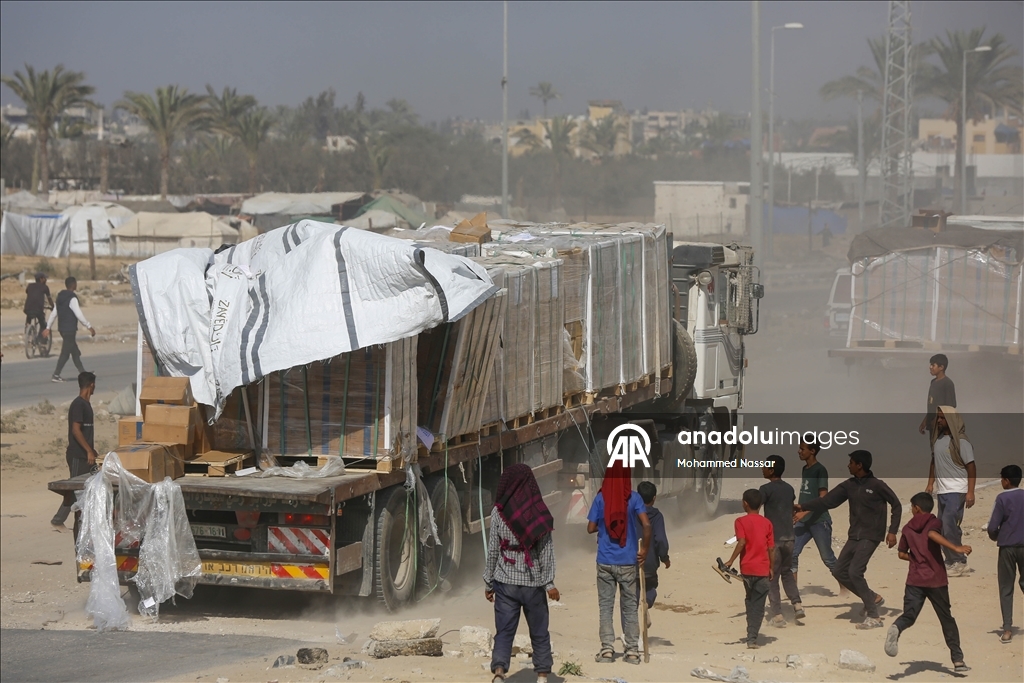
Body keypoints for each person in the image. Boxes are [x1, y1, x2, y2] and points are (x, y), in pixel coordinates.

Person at [796, 450, 902, 629]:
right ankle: (872, 598)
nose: (848, 465)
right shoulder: (849, 485)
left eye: (851, 462)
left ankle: (874, 617)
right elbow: (827, 501)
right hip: (854, 535)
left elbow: (896, 505)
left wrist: (892, 531)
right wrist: (802, 506)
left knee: (855, 572)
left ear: (859, 465)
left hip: (871, 535)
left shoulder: (877, 485)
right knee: (839, 571)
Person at [484, 464, 558, 683]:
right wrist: (549, 583)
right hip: (533, 583)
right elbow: (546, 551)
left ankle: (499, 671)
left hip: (505, 582)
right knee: (539, 631)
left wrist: (488, 582)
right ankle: (543, 675)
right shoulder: (539, 512)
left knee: (504, 631)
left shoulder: (498, 512)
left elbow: (493, 551)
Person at [884, 492, 971, 674]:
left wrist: (915, 559)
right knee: (946, 618)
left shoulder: (907, 528)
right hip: (936, 579)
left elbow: (901, 554)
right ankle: (958, 659)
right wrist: (956, 548)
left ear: (916, 508)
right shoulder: (934, 522)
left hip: (914, 580)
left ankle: (896, 627)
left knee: (909, 615)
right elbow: (932, 534)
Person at [587, 461, 651, 665]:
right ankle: (632, 651)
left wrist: (605, 527)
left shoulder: (600, 497)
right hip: (628, 561)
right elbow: (647, 525)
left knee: (605, 607)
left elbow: (590, 528)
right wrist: (645, 550)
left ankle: (607, 649)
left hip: (605, 560)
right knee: (630, 607)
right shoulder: (633, 497)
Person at [926, 406, 976, 577]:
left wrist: (970, 492)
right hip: (943, 491)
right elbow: (934, 463)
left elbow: (971, 466)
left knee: (949, 525)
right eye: (938, 418)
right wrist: (930, 484)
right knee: (943, 527)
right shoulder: (938, 440)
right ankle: (951, 561)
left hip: (958, 490)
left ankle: (959, 561)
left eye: (942, 418)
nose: (939, 421)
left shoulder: (961, 441)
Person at [723, 489, 775, 649]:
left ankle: (750, 634)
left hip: (746, 570)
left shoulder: (740, 521)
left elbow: (741, 542)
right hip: (762, 570)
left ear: (745, 503)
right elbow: (771, 548)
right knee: (758, 605)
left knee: (750, 600)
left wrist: (730, 561)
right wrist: (772, 567)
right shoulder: (767, 523)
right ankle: (752, 638)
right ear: (760, 505)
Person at [792, 439, 844, 595]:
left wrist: (805, 511)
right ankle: (793, 592)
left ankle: (846, 588)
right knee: (792, 553)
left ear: (812, 451)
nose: (799, 451)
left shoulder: (820, 470)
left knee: (827, 558)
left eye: (802, 448)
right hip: (804, 521)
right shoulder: (805, 469)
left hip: (819, 521)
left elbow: (823, 497)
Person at [51, 371, 98, 529]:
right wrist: (88, 451)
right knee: (74, 489)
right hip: (78, 455)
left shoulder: (86, 404)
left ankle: (86, 521)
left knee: (90, 486)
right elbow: (76, 430)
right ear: (91, 385)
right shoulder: (79, 404)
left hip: (87, 455)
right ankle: (58, 520)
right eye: (94, 385)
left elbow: (85, 432)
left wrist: (92, 450)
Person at [760, 456, 802, 627]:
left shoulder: (765, 489)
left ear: (771, 470)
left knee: (772, 576)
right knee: (787, 572)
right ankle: (797, 605)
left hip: (774, 539)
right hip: (790, 537)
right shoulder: (789, 488)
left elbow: (756, 506)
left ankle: (777, 614)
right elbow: (790, 507)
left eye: (765, 467)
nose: (762, 469)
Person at [987, 464, 1024, 645]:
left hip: (1008, 547)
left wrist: (996, 537)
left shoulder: (1001, 498)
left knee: (1006, 588)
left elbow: (993, 526)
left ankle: (1008, 628)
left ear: (1006, 481)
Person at [44, 276, 95, 382]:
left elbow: (54, 313)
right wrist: (89, 326)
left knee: (75, 352)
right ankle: (56, 374)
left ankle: (83, 373)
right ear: (73, 285)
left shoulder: (60, 297)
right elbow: (78, 314)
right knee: (65, 354)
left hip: (62, 329)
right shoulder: (72, 298)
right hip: (70, 329)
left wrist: (48, 327)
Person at [636, 481, 670, 617]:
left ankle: (634, 620)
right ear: (654, 498)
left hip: (630, 561)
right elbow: (660, 540)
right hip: (649, 563)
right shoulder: (657, 516)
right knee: (650, 587)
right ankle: (646, 603)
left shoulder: (631, 513)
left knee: (633, 588)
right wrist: (665, 558)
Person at [918, 354, 955, 435]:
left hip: (942, 427)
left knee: (942, 447)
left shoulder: (947, 383)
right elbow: (932, 405)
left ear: (941, 367)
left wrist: (938, 420)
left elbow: (950, 406)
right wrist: (925, 422)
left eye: (933, 365)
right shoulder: (933, 382)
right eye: (930, 365)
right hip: (932, 425)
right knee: (934, 447)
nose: (930, 367)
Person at [23, 272, 53, 342]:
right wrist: (53, 307)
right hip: (38, 310)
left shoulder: (30, 285)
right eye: (45, 278)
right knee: (43, 324)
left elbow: (27, 292)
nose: (46, 280)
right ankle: (41, 338)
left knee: (29, 316)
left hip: (27, 308)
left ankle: (28, 328)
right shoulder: (45, 287)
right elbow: (49, 299)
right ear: (41, 279)